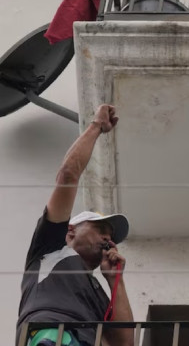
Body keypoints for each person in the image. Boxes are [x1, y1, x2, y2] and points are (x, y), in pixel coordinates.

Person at [16, 105, 134, 346]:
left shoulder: (98, 293)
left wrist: (115, 281)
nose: (107, 239)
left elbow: (124, 344)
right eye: (99, 229)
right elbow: (69, 174)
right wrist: (96, 126)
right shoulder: (51, 246)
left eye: (109, 235)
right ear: (70, 230)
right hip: (49, 337)